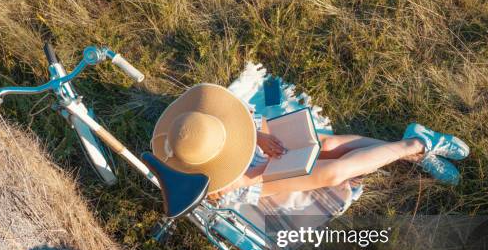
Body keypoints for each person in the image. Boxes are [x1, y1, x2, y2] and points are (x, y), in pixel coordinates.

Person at [151, 84, 469, 203]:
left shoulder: (202, 122)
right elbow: (251, 178)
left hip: (252, 147)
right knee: (332, 172)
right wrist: (249, 173)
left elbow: (243, 119)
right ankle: (416, 146)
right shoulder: (195, 167)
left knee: (328, 145)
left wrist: (258, 137)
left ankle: (417, 146)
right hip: (254, 177)